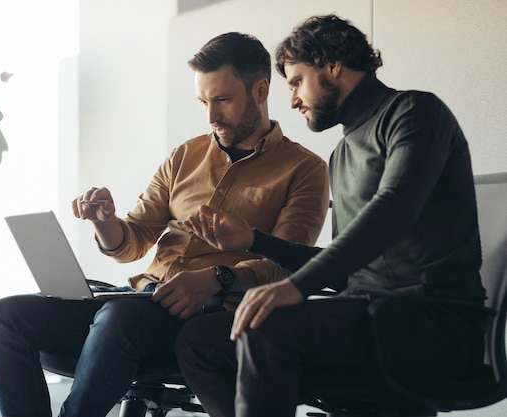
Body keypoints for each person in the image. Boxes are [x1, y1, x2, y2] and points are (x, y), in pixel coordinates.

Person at [0, 32, 329, 417]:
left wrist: (217, 276)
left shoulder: (305, 169)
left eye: (223, 100)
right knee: (3, 316)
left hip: (209, 313)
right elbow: (132, 241)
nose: (211, 116)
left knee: (116, 319)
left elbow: (288, 264)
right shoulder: (185, 154)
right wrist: (105, 221)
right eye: (203, 102)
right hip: (140, 297)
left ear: (261, 91)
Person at [176, 14, 489, 417]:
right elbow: (345, 270)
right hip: (365, 310)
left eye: (295, 81)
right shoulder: (341, 154)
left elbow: (394, 208)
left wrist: (295, 287)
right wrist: (254, 240)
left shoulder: (414, 112)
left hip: (433, 321)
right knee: (200, 341)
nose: (291, 100)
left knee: (265, 324)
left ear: (332, 65)